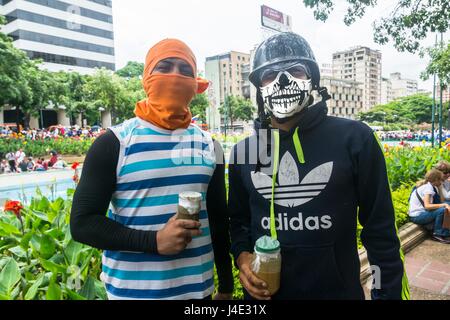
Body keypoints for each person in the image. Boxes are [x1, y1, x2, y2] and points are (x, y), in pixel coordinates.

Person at [228, 32, 409, 300]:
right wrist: (242, 257)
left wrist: (386, 294)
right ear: (258, 87)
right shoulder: (244, 151)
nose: (283, 81)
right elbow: (239, 221)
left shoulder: (355, 139)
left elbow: (380, 231)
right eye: (269, 75)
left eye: (295, 71)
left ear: (313, 79)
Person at [70, 39, 233, 300]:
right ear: (147, 77)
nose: (175, 76)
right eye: (165, 67)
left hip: (198, 294)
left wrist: (226, 285)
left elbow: (217, 218)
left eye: (185, 70)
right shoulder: (114, 143)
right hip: (131, 295)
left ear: (195, 84)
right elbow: (82, 223)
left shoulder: (209, 145)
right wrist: (154, 241)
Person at [409, 169, 450, 243]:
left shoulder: (429, 186)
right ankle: (437, 234)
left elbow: (442, 200)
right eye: (441, 180)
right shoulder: (428, 188)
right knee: (442, 210)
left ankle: (445, 231)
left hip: (422, 214)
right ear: (436, 179)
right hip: (417, 216)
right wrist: (444, 205)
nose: (442, 182)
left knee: (445, 205)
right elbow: (427, 206)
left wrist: (440, 189)